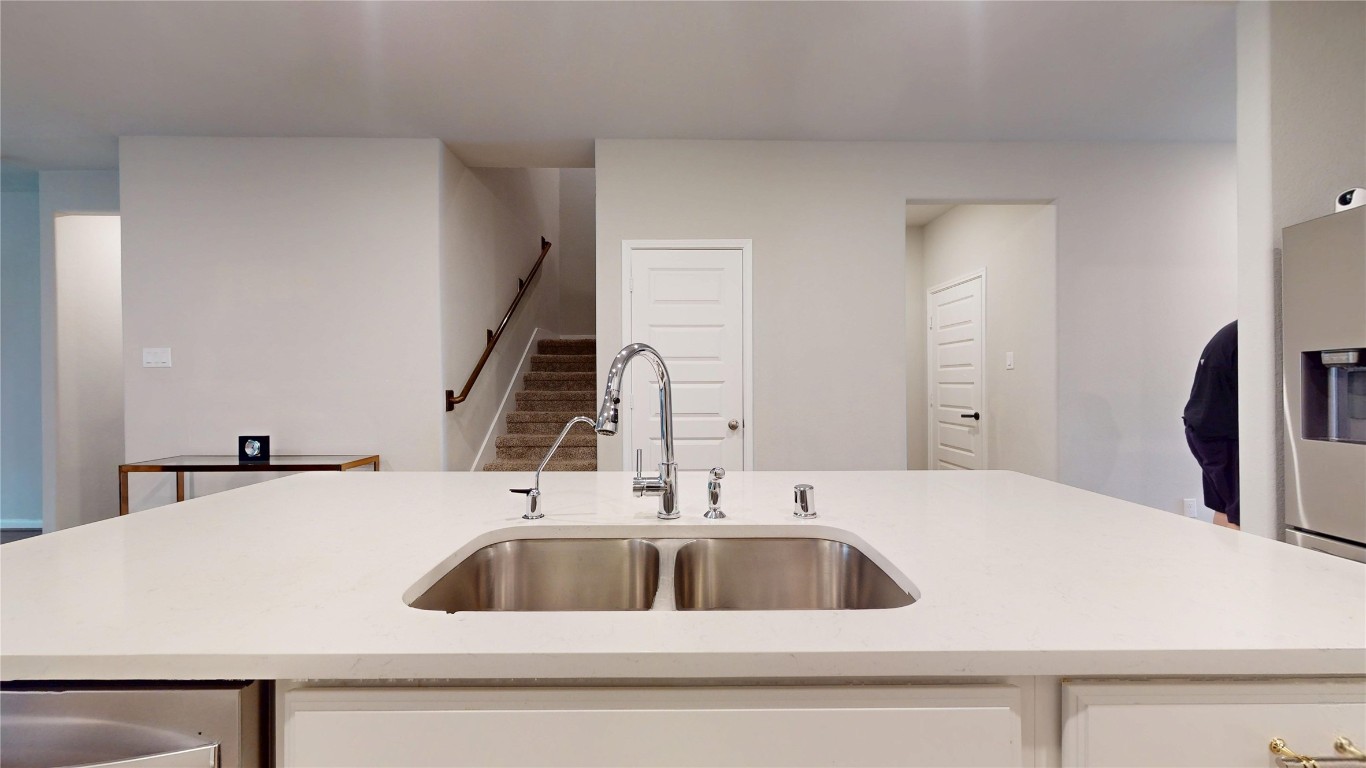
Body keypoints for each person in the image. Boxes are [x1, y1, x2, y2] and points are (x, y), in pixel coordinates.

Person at [1183, 321, 1239, 529]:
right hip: (1222, 436)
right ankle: (1241, 562)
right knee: (1240, 514)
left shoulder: (1232, 333)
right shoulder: (1251, 335)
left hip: (1202, 430)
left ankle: (1225, 561)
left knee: (1224, 507)